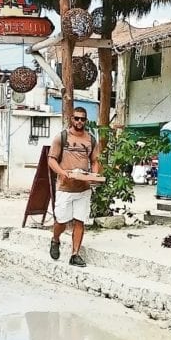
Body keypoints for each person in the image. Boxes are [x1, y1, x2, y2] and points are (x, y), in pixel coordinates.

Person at [47, 107, 100, 267]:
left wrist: (94, 175)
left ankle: (75, 254)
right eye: (77, 118)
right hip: (65, 188)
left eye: (82, 119)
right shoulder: (62, 137)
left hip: (83, 188)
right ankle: (55, 239)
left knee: (79, 221)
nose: (79, 121)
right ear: (72, 119)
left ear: (86, 121)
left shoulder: (91, 139)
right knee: (61, 221)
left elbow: (95, 161)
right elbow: (51, 160)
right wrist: (62, 173)